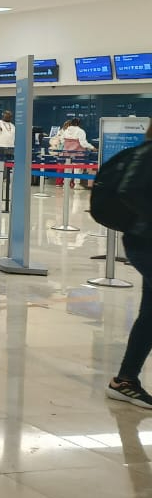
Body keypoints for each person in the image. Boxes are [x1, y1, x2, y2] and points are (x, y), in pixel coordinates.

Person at [105, 121, 152, 408]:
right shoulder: (147, 154)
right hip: (145, 243)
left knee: (150, 315)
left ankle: (125, 380)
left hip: (144, 241)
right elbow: (129, 190)